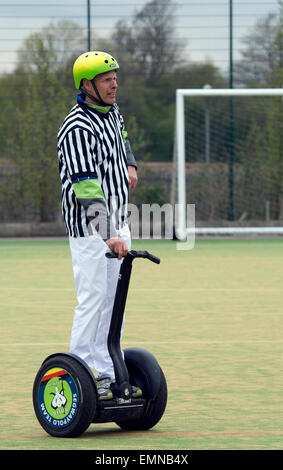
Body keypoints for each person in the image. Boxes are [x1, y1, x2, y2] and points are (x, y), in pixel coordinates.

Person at [57, 51, 140, 400]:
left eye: (115, 78)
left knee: (112, 301)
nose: (114, 84)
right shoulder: (77, 127)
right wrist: (107, 233)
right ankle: (77, 374)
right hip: (92, 229)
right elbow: (87, 186)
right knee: (92, 298)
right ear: (87, 85)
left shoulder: (113, 113)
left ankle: (107, 372)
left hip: (118, 221)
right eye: (106, 79)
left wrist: (131, 165)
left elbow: (122, 140)